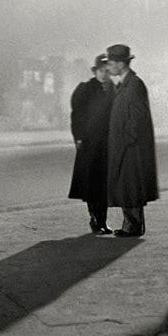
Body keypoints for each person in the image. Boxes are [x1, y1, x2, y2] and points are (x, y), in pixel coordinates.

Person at [105, 44, 158, 237]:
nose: (109, 68)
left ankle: (133, 226)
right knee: (125, 186)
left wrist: (124, 140)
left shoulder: (134, 85)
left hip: (131, 148)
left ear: (120, 63)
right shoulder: (125, 84)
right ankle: (129, 224)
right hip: (125, 146)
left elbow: (137, 118)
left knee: (130, 186)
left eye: (111, 63)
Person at [68, 54, 114, 234]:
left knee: (104, 185)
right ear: (95, 71)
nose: (104, 74)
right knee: (91, 184)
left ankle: (103, 221)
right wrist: (78, 138)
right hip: (89, 143)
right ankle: (95, 219)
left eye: (107, 71)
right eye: (101, 71)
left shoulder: (114, 90)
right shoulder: (85, 89)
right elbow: (76, 117)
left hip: (107, 144)